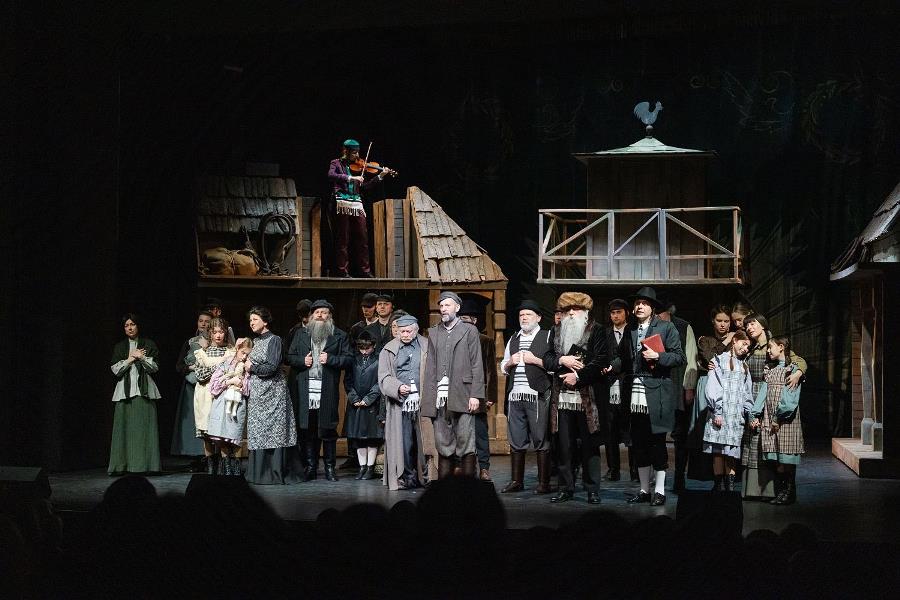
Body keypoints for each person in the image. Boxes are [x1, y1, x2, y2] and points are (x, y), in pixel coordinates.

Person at [610, 287, 685, 506]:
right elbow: (623, 358)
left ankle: (659, 491)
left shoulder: (666, 327)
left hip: (656, 390)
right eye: (637, 303)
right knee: (639, 443)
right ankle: (644, 490)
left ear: (652, 308)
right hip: (634, 391)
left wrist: (658, 356)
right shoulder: (630, 329)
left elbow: (679, 357)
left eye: (644, 303)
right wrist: (611, 367)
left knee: (657, 443)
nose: (639, 306)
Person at [548, 292, 609, 505]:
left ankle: (592, 489)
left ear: (585, 312)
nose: (572, 313)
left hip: (588, 398)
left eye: (576, 309)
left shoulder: (597, 330)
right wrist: (561, 360)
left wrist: (578, 376)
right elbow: (547, 358)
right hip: (562, 398)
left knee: (590, 445)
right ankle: (565, 488)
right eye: (567, 310)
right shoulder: (556, 331)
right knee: (564, 446)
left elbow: (601, 360)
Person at [285, 299, 352, 481]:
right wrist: (302, 361)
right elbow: (289, 356)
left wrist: (331, 359)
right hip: (305, 389)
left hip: (327, 389)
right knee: (308, 430)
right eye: (317, 312)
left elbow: (348, 359)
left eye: (324, 312)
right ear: (312, 315)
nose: (321, 315)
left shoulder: (340, 335)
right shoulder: (300, 334)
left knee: (328, 429)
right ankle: (311, 467)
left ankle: (330, 468)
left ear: (330, 315)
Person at [741, 313, 806, 498]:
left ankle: (778, 490)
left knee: (781, 449)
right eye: (746, 325)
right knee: (760, 445)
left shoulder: (776, 343)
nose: (749, 328)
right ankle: (757, 490)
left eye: (752, 324)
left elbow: (798, 361)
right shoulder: (749, 347)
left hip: (775, 402)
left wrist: (798, 372)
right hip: (755, 397)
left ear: (762, 324)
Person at [421, 291, 485, 478]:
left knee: (466, 441)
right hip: (440, 397)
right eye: (441, 306)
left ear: (457, 308)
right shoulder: (434, 332)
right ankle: (445, 486)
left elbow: (476, 363)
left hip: (463, 393)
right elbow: (430, 367)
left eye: (447, 305)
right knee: (443, 441)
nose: (443, 309)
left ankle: (468, 487)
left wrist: (475, 394)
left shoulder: (469, 331)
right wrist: (429, 398)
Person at [498, 300, 555, 494]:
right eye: (521, 315)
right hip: (515, 395)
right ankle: (517, 481)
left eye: (528, 314)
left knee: (540, 439)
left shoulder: (547, 336)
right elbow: (503, 365)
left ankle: (544, 483)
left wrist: (536, 361)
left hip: (537, 394)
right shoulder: (514, 338)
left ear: (538, 317)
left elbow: (555, 366)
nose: (524, 318)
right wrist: (509, 363)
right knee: (516, 439)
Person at [244, 306, 300, 485]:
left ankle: (275, 472)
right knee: (258, 431)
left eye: (255, 319)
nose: (251, 323)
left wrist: (252, 367)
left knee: (275, 430)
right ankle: (258, 473)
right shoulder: (255, 341)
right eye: (250, 320)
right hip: (258, 394)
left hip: (273, 394)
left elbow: (272, 367)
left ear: (265, 321)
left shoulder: (274, 340)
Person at [379, 314, 431, 490]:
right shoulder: (389, 349)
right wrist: (398, 387)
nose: (405, 334)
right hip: (400, 404)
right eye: (402, 331)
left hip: (423, 402)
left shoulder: (427, 346)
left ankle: (427, 477)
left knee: (424, 441)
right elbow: (384, 376)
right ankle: (407, 477)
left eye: (408, 331)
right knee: (404, 442)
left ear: (416, 331)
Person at [327, 139, 390, 278]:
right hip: (342, 202)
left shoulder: (359, 167)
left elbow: (365, 187)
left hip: (356, 203)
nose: (357, 156)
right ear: (346, 151)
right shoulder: (336, 163)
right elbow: (331, 175)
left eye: (358, 152)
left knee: (362, 238)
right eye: (354, 152)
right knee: (343, 238)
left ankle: (365, 271)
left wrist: (380, 176)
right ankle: (342, 271)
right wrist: (351, 178)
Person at [108, 313, 162, 475]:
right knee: (123, 430)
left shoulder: (148, 344)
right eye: (126, 325)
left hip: (144, 392)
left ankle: (146, 465)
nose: (130, 328)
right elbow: (115, 370)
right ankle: (121, 465)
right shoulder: (120, 347)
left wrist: (142, 357)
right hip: (124, 393)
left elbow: (155, 368)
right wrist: (130, 359)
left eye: (132, 324)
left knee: (144, 430)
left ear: (138, 326)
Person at [690, 305, 736, 485]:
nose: (723, 324)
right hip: (710, 388)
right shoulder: (705, 340)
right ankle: (710, 476)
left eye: (726, 321)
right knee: (708, 430)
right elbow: (713, 358)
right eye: (719, 321)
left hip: (731, 388)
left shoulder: (736, 340)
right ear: (713, 321)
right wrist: (727, 342)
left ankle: (729, 479)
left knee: (729, 432)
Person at [703, 330, 753, 492]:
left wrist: (749, 413)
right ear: (735, 340)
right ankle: (718, 485)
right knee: (718, 451)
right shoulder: (718, 360)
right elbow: (712, 387)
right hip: (720, 414)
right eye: (744, 344)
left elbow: (747, 392)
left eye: (748, 346)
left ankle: (729, 486)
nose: (745, 348)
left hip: (735, 416)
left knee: (732, 451)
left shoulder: (744, 366)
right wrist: (717, 411)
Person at [658, 299, 699, 493]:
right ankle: (658, 478)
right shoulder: (650, 327)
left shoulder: (683, 326)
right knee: (656, 434)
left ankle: (679, 477)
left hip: (677, 384)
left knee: (680, 435)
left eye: (660, 312)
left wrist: (689, 386)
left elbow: (691, 357)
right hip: (658, 385)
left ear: (668, 311)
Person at [458, 297, 497, 481]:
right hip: (459, 392)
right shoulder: (455, 339)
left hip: (478, 392)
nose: (464, 322)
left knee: (480, 432)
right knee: (460, 432)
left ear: (474, 320)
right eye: (461, 318)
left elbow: (491, 370)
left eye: (467, 318)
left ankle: (484, 467)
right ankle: (464, 467)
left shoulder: (485, 340)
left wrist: (490, 396)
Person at [207, 337, 253, 476]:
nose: (244, 357)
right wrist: (229, 381)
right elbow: (213, 385)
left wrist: (241, 382)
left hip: (237, 404)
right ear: (237, 349)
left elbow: (248, 389)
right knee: (221, 436)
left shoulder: (247, 368)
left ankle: (237, 469)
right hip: (221, 403)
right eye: (243, 353)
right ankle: (226, 468)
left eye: (247, 354)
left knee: (235, 436)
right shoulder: (225, 363)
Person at [192, 318, 233, 474]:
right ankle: (210, 469)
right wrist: (219, 367)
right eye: (215, 332)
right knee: (207, 435)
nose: (218, 335)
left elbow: (232, 372)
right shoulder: (203, 353)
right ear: (210, 333)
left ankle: (226, 469)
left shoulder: (230, 352)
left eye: (221, 332)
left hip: (223, 395)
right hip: (205, 395)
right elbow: (200, 375)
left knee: (222, 434)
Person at [603, 298, 636, 482]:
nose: (615, 316)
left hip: (628, 386)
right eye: (613, 313)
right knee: (610, 432)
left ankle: (634, 470)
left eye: (619, 312)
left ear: (626, 313)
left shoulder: (633, 332)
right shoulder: (605, 333)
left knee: (631, 430)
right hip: (609, 387)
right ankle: (613, 469)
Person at [171, 311, 211, 462]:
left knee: (206, 421)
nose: (203, 324)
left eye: (207, 321)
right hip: (191, 386)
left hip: (209, 386)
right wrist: (190, 368)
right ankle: (194, 456)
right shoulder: (190, 342)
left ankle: (209, 456)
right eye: (201, 321)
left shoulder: (216, 341)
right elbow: (179, 366)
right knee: (191, 422)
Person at [344, 331, 384, 480]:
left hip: (372, 404)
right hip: (356, 404)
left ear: (374, 345)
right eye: (361, 348)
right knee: (359, 438)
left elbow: (380, 381)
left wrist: (368, 399)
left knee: (372, 437)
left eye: (367, 348)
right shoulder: (353, 360)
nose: (364, 351)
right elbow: (348, 380)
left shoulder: (379, 359)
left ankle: (370, 467)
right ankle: (361, 467)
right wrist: (354, 398)